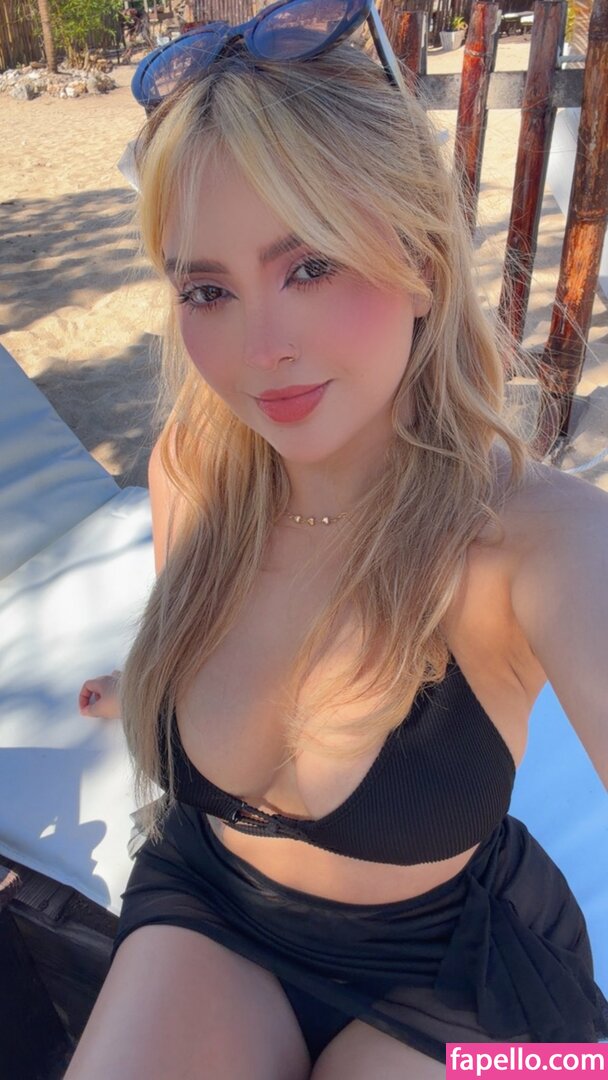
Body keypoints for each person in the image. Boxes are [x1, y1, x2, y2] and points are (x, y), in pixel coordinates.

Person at [67, 2, 608, 1077]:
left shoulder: (535, 543)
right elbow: (225, 649)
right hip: (211, 901)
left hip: (469, 982)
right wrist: (148, 685)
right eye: (207, 289)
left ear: (419, 260)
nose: (260, 348)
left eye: (309, 265)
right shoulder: (196, 467)